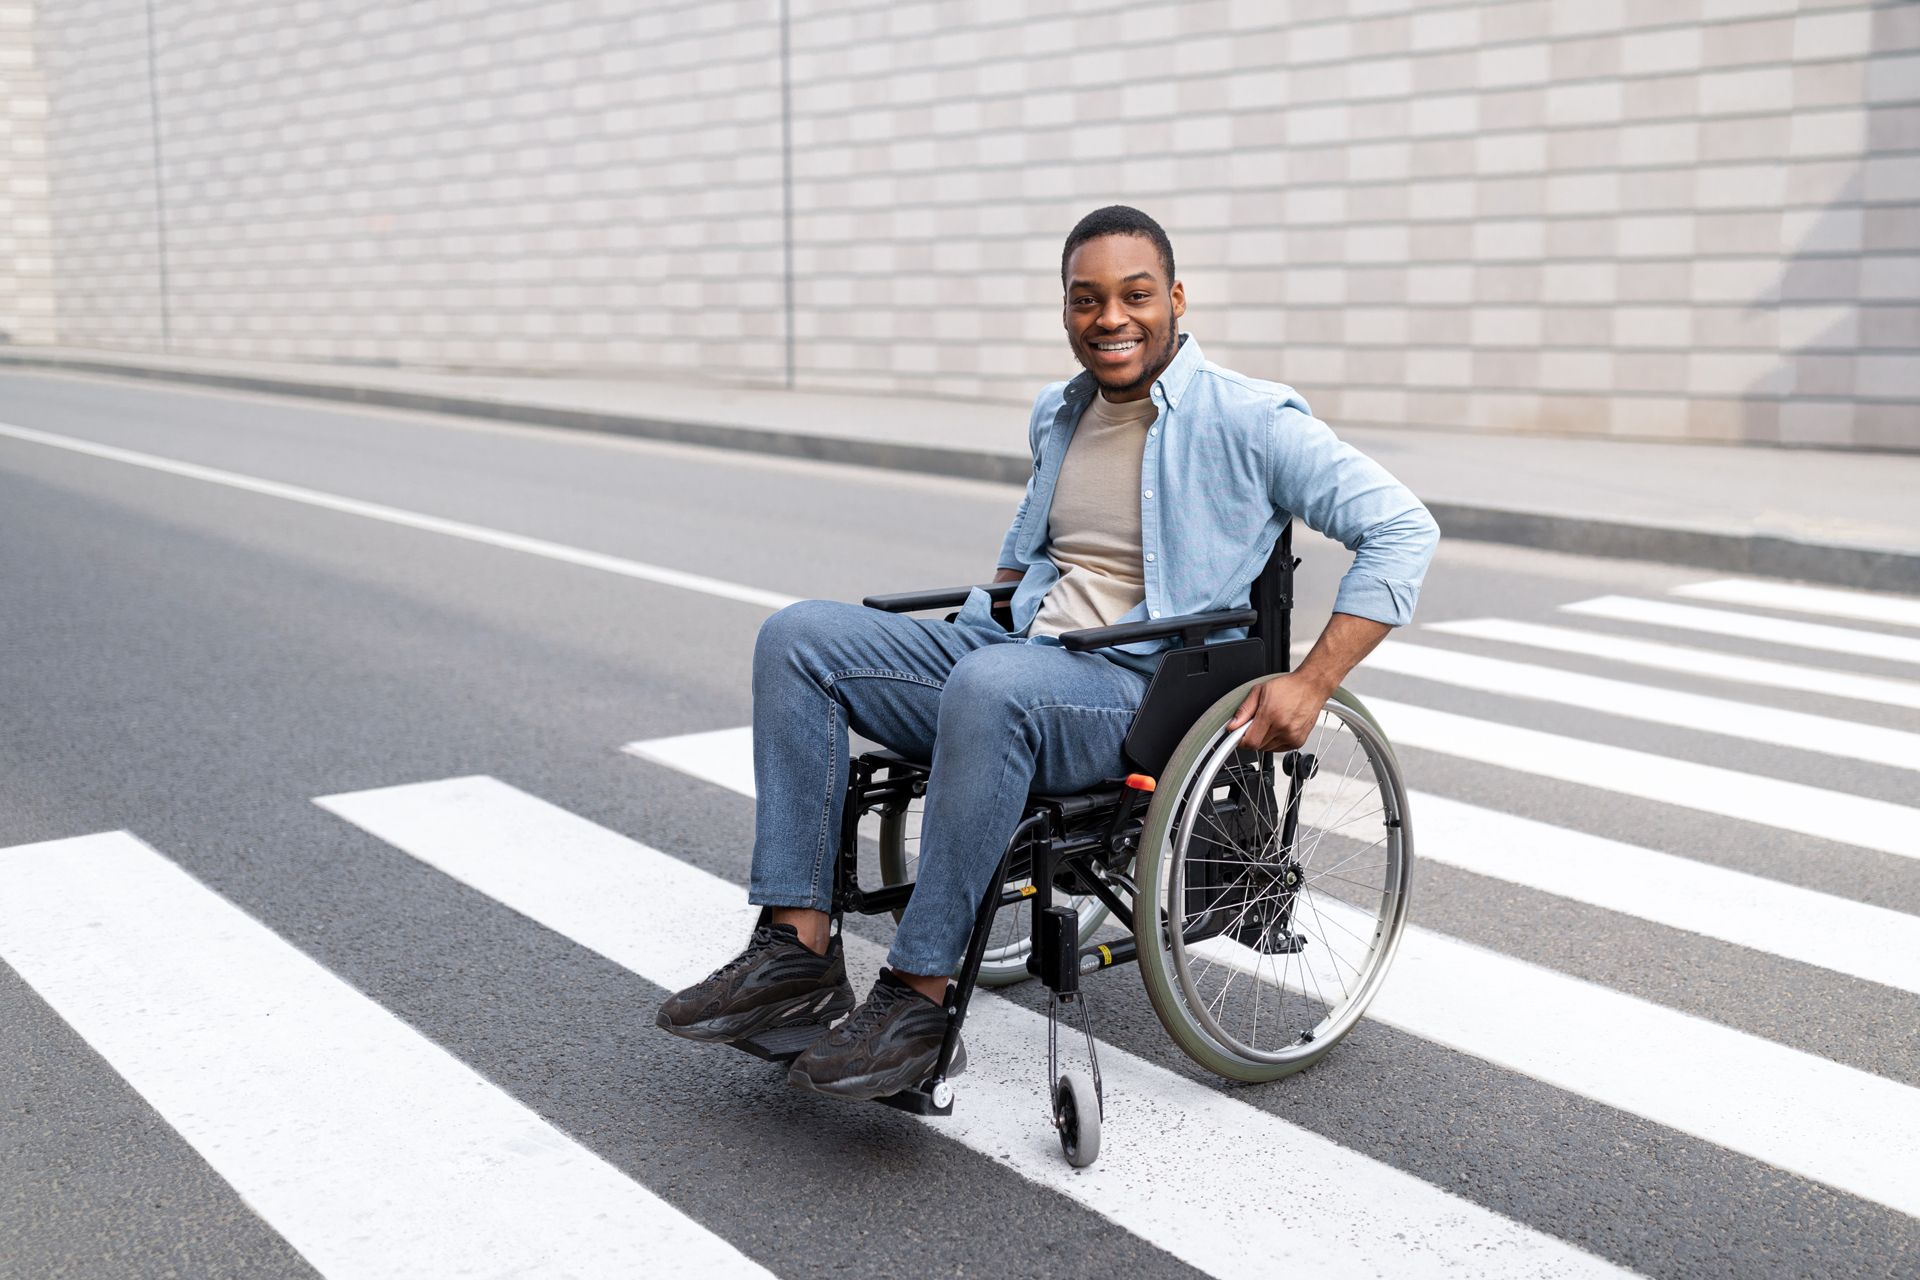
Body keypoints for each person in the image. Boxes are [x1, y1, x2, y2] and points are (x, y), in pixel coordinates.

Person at [657, 205, 1439, 1101]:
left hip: (1139, 693)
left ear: (1176, 299)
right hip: (1017, 658)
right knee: (798, 638)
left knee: (994, 687)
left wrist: (1311, 682)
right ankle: (795, 952)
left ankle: (916, 1003)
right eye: (1087, 299)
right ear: (1066, 312)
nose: (1112, 317)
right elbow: (1033, 549)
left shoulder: (1250, 420)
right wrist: (983, 614)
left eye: (1135, 295)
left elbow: (1402, 529)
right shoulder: (1059, 412)